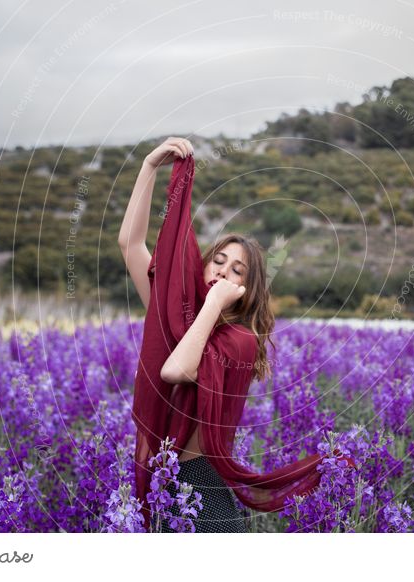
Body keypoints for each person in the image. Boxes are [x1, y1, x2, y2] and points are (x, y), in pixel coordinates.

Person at [119, 137, 352, 533]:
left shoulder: (240, 340)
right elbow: (130, 243)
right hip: (164, 484)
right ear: (204, 266)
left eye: (237, 271)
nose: (224, 272)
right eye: (219, 262)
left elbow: (175, 371)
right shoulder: (178, 319)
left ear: (247, 290)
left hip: (202, 490)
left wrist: (212, 304)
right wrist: (149, 166)